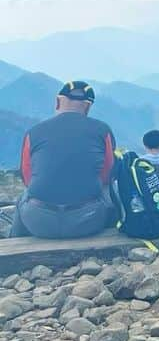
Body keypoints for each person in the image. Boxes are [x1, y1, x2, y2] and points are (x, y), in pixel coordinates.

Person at [11, 80, 116, 239]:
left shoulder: (34, 132)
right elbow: (108, 175)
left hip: (39, 223)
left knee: (24, 197)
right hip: (88, 220)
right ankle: (114, 239)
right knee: (110, 191)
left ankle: (12, 246)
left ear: (57, 101)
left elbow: (27, 178)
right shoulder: (102, 130)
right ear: (88, 107)